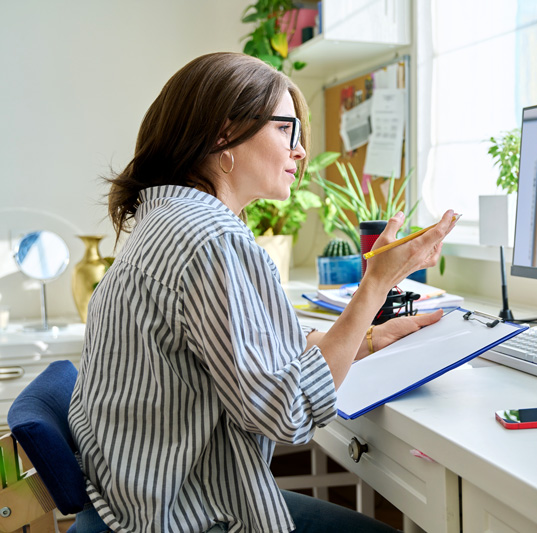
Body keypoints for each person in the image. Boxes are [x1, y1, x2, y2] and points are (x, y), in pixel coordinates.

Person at [67, 52, 457, 533]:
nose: (299, 151)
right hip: (182, 516)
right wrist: (375, 284)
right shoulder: (211, 239)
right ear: (223, 134)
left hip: (130, 503)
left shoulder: (167, 220)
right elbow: (286, 411)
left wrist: (367, 339)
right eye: (285, 130)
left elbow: (261, 357)